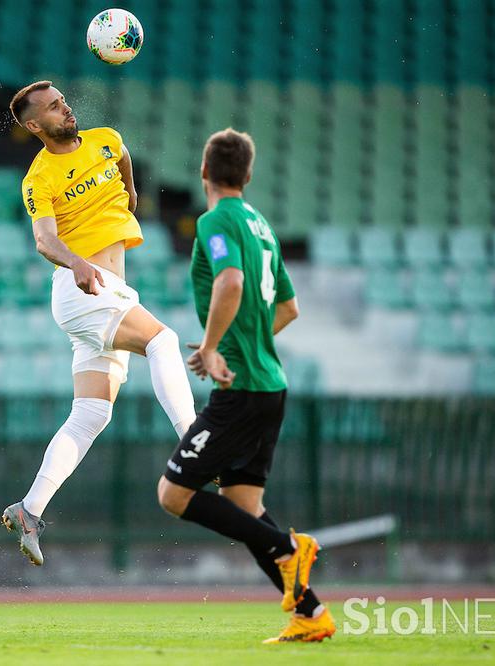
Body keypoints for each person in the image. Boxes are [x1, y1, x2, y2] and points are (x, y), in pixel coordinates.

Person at [0, 80, 197, 566]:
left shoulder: (105, 139)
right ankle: (195, 443)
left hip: (105, 290)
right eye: (51, 108)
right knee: (163, 340)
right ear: (32, 125)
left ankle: (29, 509)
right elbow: (45, 241)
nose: (64, 109)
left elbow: (123, 155)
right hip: (82, 290)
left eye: (63, 101)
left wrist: (130, 189)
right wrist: (78, 263)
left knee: (92, 414)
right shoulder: (38, 179)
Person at [156, 129, 335, 643]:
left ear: (203, 173)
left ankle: (287, 547)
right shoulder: (262, 226)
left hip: (242, 394)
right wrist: (229, 347)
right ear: (248, 176)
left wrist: (213, 349)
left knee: (172, 493)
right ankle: (311, 613)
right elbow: (288, 307)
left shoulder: (215, 220)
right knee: (243, 504)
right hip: (270, 385)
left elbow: (231, 282)